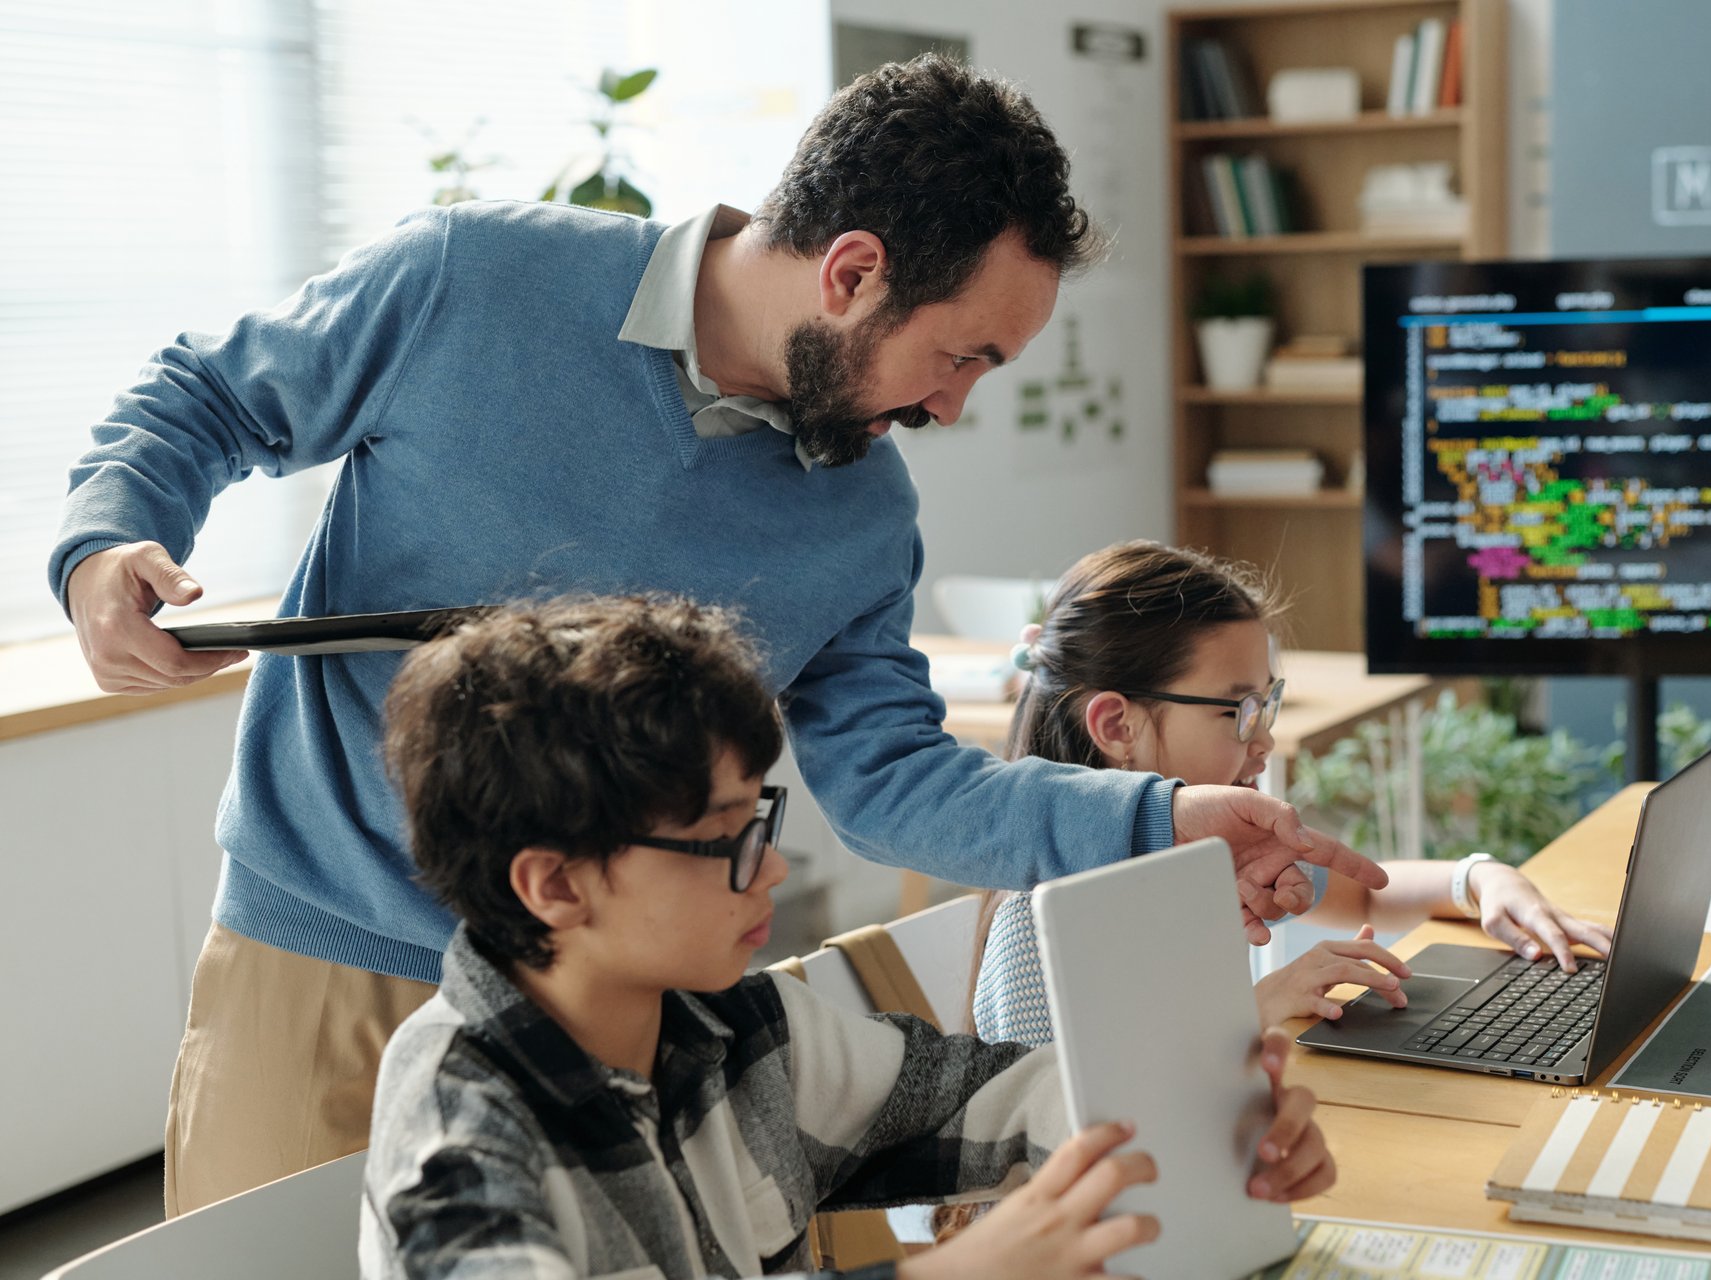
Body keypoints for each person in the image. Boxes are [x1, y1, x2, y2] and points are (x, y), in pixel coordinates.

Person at [52, 55, 1384, 1214]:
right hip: (330, 960)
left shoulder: (864, 514)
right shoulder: (474, 280)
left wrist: (1163, 818)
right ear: (853, 272)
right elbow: (204, 399)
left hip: (616, 1012)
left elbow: (896, 784)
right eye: (963, 356)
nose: (959, 406)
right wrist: (107, 548)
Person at [362, 594, 1335, 1279]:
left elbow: (974, 1095)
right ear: (555, 883)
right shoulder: (462, 1141)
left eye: (761, 818)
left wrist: (1208, 1109)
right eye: (720, 841)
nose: (772, 866)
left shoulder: (730, 1018)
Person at [966, 540, 1616, 1048]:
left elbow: (1358, 891)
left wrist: (1481, 880)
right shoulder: (1036, 920)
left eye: (1267, 703)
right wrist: (1257, 1009)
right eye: (1237, 711)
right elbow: (1043, 1138)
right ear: (1116, 726)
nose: (1266, 740)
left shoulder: (1206, 852)